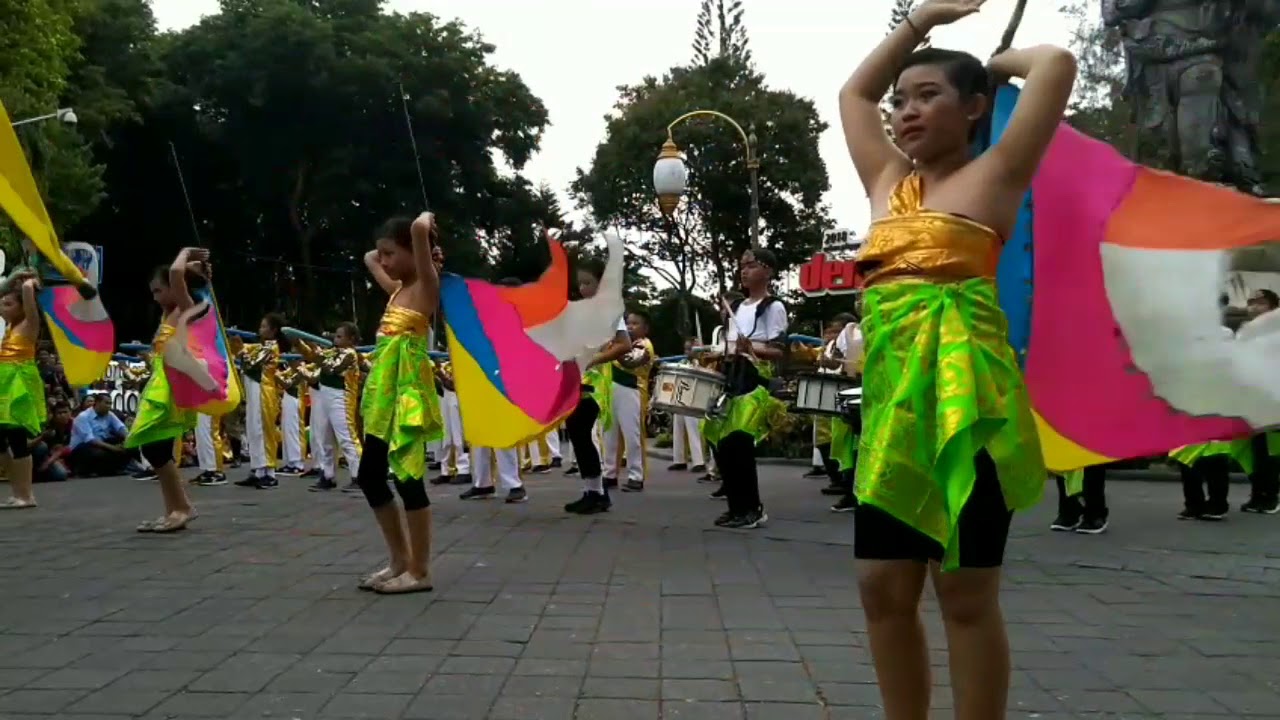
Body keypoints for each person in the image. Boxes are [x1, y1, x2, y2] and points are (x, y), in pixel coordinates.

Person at [838, 0, 1075, 715]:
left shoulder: (997, 173)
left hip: (970, 405)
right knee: (882, 585)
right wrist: (925, 20)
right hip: (892, 411)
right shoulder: (887, 183)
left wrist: (993, 67)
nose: (905, 112)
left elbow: (1055, 66)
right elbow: (854, 94)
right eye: (902, 101)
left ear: (974, 109)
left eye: (928, 96)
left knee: (964, 591)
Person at [355, 213, 445, 595]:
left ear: (416, 252)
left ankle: (420, 571)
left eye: (391, 253)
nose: (384, 260)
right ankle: (399, 560)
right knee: (371, 476)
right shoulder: (396, 289)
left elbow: (420, 229)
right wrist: (382, 252)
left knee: (408, 478)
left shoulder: (427, 285)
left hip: (407, 394)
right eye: (384, 253)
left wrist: (424, 223)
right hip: (382, 396)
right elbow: (367, 258)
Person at [701, 249, 788, 529]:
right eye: (742, 265)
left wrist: (750, 348)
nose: (744, 270)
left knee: (739, 443)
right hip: (733, 376)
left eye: (751, 265)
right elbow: (729, 345)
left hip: (755, 379)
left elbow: (777, 349)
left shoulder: (772, 307)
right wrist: (710, 353)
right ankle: (737, 507)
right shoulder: (736, 308)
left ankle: (752, 509)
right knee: (723, 443)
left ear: (768, 271)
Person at [128, 250, 210, 532]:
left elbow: (176, 274)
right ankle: (174, 508)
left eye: (158, 290)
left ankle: (182, 507)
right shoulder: (168, 313)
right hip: (162, 380)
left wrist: (186, 255)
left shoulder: (188, 307)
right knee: (154, 446)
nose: (155, 297)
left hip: (173, 383)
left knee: (156, 447)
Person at [563, 260, 632, 515]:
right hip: (577, 377)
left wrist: (594, 358)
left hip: (596, 381)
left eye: (588, 282)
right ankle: (594, 491)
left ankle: (596, 492)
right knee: (577, 433)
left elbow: (624, 344)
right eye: (580, 283)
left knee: (580, 430)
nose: (583, 288)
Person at [298, 322, 364, 492]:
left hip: (341, 397)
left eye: (340, 336)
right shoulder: (332, 352)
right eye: (336, 335)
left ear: (351, 339)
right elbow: (315, 359)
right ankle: (328, 476)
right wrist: (301, 344)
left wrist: (316, 353)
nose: (336, 338)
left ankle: (360, 476)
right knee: (325, 438)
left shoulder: (350, 354)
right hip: (326, 396)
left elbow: (331, 368)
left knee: (346, 437)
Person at [0, 274, 46, 508]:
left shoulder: (29, 325)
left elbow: (30, 302)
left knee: (17, 439)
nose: (3, 308)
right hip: (4, 384)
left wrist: (29, 284)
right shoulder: (10, 327)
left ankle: (26, 494)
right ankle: (16, 491)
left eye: (8, 304)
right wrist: (14, 278)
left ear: (21, 307)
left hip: (19, 384)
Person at [603, 310, 655, 493]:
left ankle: (636, 475)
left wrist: (610, 349)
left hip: (632, 391)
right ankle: (609, 473)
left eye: (636, 323)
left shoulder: (644, 345)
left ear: (645, 328)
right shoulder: (619, 343)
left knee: (632, 436)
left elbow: (629, 362)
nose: (631, 326)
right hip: (612, 389)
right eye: (628, 323)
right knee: (610, 434)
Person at [234, 313, 287, 489]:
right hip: (253, 391)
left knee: (265, 431)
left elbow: (251, 364)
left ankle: (270, 473)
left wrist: (240, 349)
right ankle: (257, 470)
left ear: (273, 331)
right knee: (254, 430)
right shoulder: (260, 346)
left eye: (264, 326)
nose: (260, 329)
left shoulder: (271, 348)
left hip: (264, 391)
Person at [68, 393, 135, 476]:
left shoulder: (109, 414)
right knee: (100, 453)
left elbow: (120, 428)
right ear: (97, 403)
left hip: (101, 442)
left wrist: (127, 440)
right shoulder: (83, 417)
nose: (109, 406)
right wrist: (113, 448)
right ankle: (86, 470)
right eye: (106, 403)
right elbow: (90, 440)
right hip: (82, 447)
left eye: (110, 403)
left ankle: (115, 469)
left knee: (129, 445)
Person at [31, 400, 73, 484]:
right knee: (42, 446)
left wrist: (48, 463)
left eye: (65, 412)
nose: (63, 415)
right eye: (59, 413)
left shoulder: (70, 425)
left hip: (49, 456)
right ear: (54, 415)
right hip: (36, 454)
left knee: (62, 475)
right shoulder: (47, 426)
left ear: (70, 413)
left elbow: (60, 449)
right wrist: (42, 437)